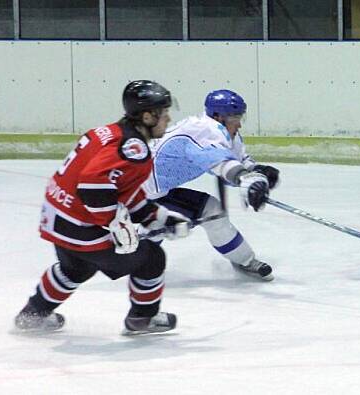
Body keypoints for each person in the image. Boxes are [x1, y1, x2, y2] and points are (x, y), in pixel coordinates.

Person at [15, 80, 193, 334]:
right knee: (152, 258)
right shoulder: (134, 148)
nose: (168, 118)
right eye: (163, 113)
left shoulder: (107, 132)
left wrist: (157, 218)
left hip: (59, 218)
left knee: (75, 268)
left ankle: (32, 315)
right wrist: (114, 223)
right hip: (81, 226)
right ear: (147, 116)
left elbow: (122, 190)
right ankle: (142, 319)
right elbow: (91, 185)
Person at [144, 89, 277, 281]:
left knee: (211, 211)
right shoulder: (204, 130)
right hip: (141, 192)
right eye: (234, 118)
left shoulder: (224, 131)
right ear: (218, 116)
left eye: (241, 117)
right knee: (155, 225)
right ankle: (134, 255)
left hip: (160, 191)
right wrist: (244, 178)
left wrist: (258, 171)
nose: (239, 124)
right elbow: (218, 163)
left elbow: (238, 160)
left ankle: (245, 260)